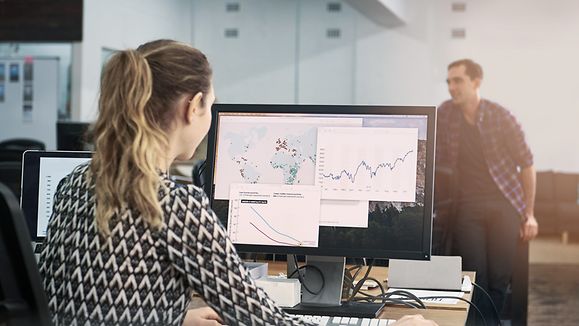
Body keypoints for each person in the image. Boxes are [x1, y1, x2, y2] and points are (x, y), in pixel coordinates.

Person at [38, 39, 437, 326]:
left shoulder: (74, 183)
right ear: (193, 107)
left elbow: (89, 299)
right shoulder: (176, 205)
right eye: (210, 106)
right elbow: (263, 321)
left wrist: (172, 316)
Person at [436, 59, 539, 325]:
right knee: (475, 277)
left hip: (504, 204)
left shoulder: (500, 116)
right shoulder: (445, 114)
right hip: (466, 207)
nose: (451, 87)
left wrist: (529, 214)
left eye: (457, 80)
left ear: (476, 82)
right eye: (448, 82)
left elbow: (527, 164)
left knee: (499, 276)